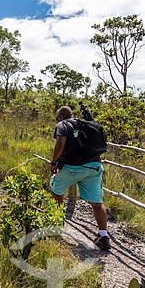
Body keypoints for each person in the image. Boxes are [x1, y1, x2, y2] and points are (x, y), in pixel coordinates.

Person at [49, 106, 111, 250]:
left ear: (61, 116)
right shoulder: (86, 124)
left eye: (57, 118)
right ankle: (104, 235)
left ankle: (56, 224)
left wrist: (54, 162)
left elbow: (60, 143)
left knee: (56, 191)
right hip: (94, 167)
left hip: (72, 167)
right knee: (97, 202)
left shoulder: (63, 125)